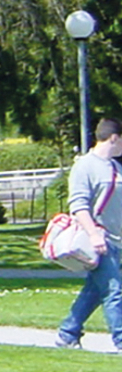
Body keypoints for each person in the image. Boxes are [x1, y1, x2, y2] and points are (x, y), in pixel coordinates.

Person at [56, 117, 122, 349]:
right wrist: (94, 234)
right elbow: (79, 205)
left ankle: (67, 333)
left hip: (117, 240)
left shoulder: (115, 167)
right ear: (114, 138)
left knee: (95, 291)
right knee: (115, 290)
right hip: (99, 240)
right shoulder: (85, 165)